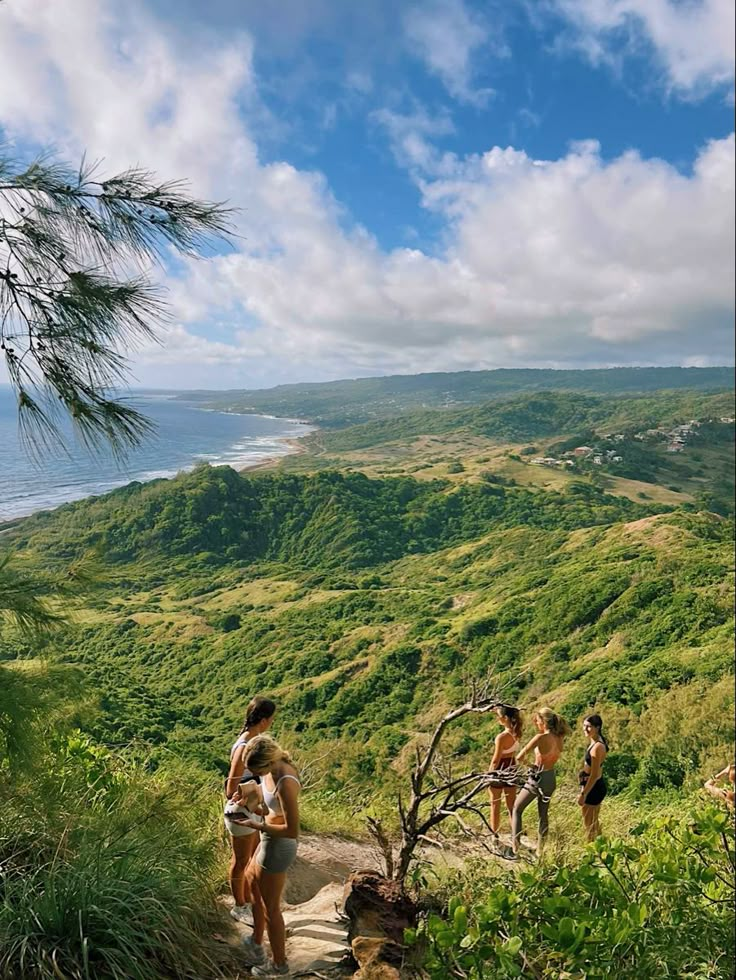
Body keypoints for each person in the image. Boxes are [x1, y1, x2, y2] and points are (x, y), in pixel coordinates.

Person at [236, 735, 301, 977]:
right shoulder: (268, 771)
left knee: (271, 909)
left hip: (279, 845)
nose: (254, 773)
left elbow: (293, 830)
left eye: (255, 769)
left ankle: (279, 965)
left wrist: (257, 826)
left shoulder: (286, 782)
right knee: (251, 881)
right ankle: (256, 942)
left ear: (267, 762)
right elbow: (268, 805)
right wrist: (247, 799)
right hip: (267, 838)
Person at [224, 697, 276, 924]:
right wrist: (246, 793)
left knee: (250, 860)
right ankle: (239, 906)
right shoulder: (245, 745)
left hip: (250, 810)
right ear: (263, 720)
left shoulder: (250, 741)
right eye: (271, 719)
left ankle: (247, 901)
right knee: (241, 859)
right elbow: (230, 787)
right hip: (240, 811)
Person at [509, 706, 571, 858]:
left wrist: (531, 766)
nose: (536, 724)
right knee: (543, 815)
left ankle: (515, 849)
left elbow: (520, 757)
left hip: (538, 777)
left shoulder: (540, 738)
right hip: (551, 778)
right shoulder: (559, 738)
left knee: (517, 808)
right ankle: (540, 850)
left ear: (543, 721)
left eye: (537, 721)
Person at [488, 705, 523, 836]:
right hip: (511, 766)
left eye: (499, 716)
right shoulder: (517, 731)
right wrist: (497, 710)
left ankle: (494, 835)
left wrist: (489, 774)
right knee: (511, 806)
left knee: (495, 804)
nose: (497, 718)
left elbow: (496, 759)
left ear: (505, 718)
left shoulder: (501, 737)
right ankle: (516, 836)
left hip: (500, 769)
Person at [578, 714, 608, 840]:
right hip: (591, 785)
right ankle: (602, 848)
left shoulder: (597, 747)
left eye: (589, 727)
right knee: (593, 822)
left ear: (597, 727)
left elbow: (595, 774)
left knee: (589, 824)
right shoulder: (595, 742)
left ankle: (592, 850)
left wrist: (583, 794)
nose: (585, 729)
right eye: (584, 726)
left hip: (593, 787)